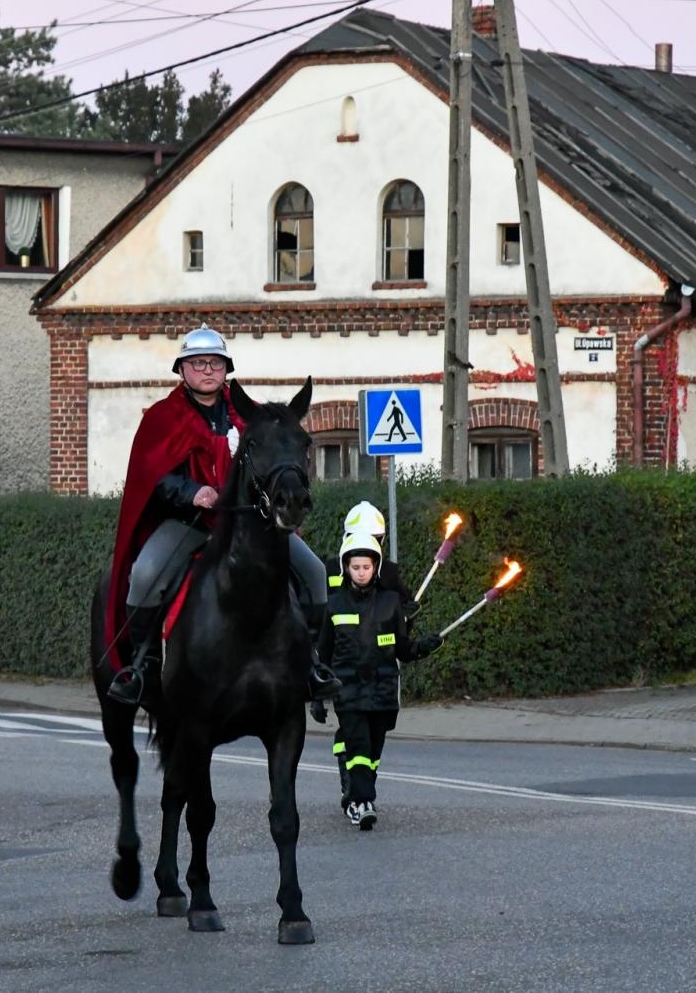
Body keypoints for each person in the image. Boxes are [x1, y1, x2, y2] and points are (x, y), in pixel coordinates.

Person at [104, 323, 340, 707]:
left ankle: (311, 665)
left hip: (248, 523)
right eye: (198, 363)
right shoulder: (162, 417)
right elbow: (151, 475)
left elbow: (274, 462)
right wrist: (192, 492)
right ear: (182, 370)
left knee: (313, 571)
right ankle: (142, 668)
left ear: (226, 368)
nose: (208, 370)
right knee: (145, 575)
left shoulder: (250, 415)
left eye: (215, 362)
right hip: (188, 523)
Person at [313, 532, 443, 830]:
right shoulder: (334, 605)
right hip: (349, 692)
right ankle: (363, 801)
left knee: (371, 754)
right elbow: (323, 654)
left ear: (376, 567)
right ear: (346, 568)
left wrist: (425, 646)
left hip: (383, 691)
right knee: (357, 748)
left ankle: (358, 799)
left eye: (366, 566)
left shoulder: (390, 603)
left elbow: (402, 648)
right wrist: (317, 697)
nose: (361, 572)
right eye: (355, 567)